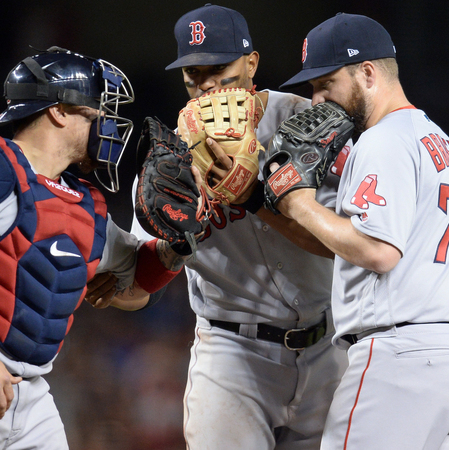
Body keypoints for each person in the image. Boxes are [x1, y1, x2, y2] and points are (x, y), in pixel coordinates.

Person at [0, 47, 190, 449]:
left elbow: (133, 288)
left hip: (29, 398)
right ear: (59, 111)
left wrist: (179, 244)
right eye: (96, 111)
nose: (107, 123)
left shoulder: (87, 206)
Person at [87, 5, 347, 449]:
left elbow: (351, 244)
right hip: (233, 355)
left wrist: (255, 199)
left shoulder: (311, 124)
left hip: (330, 348)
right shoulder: (168, 164)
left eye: (218, 68)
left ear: (252, 64)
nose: (206, 84)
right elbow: (136, 292)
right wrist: (174, 246)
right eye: (193, 73)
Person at [272, 13, 449, 449]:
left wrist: (296, 203)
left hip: (405, 360)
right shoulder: (444, 146)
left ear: (368, 73)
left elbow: (379, 251)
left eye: (326, 84)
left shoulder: (382, 139)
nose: (316, 100)